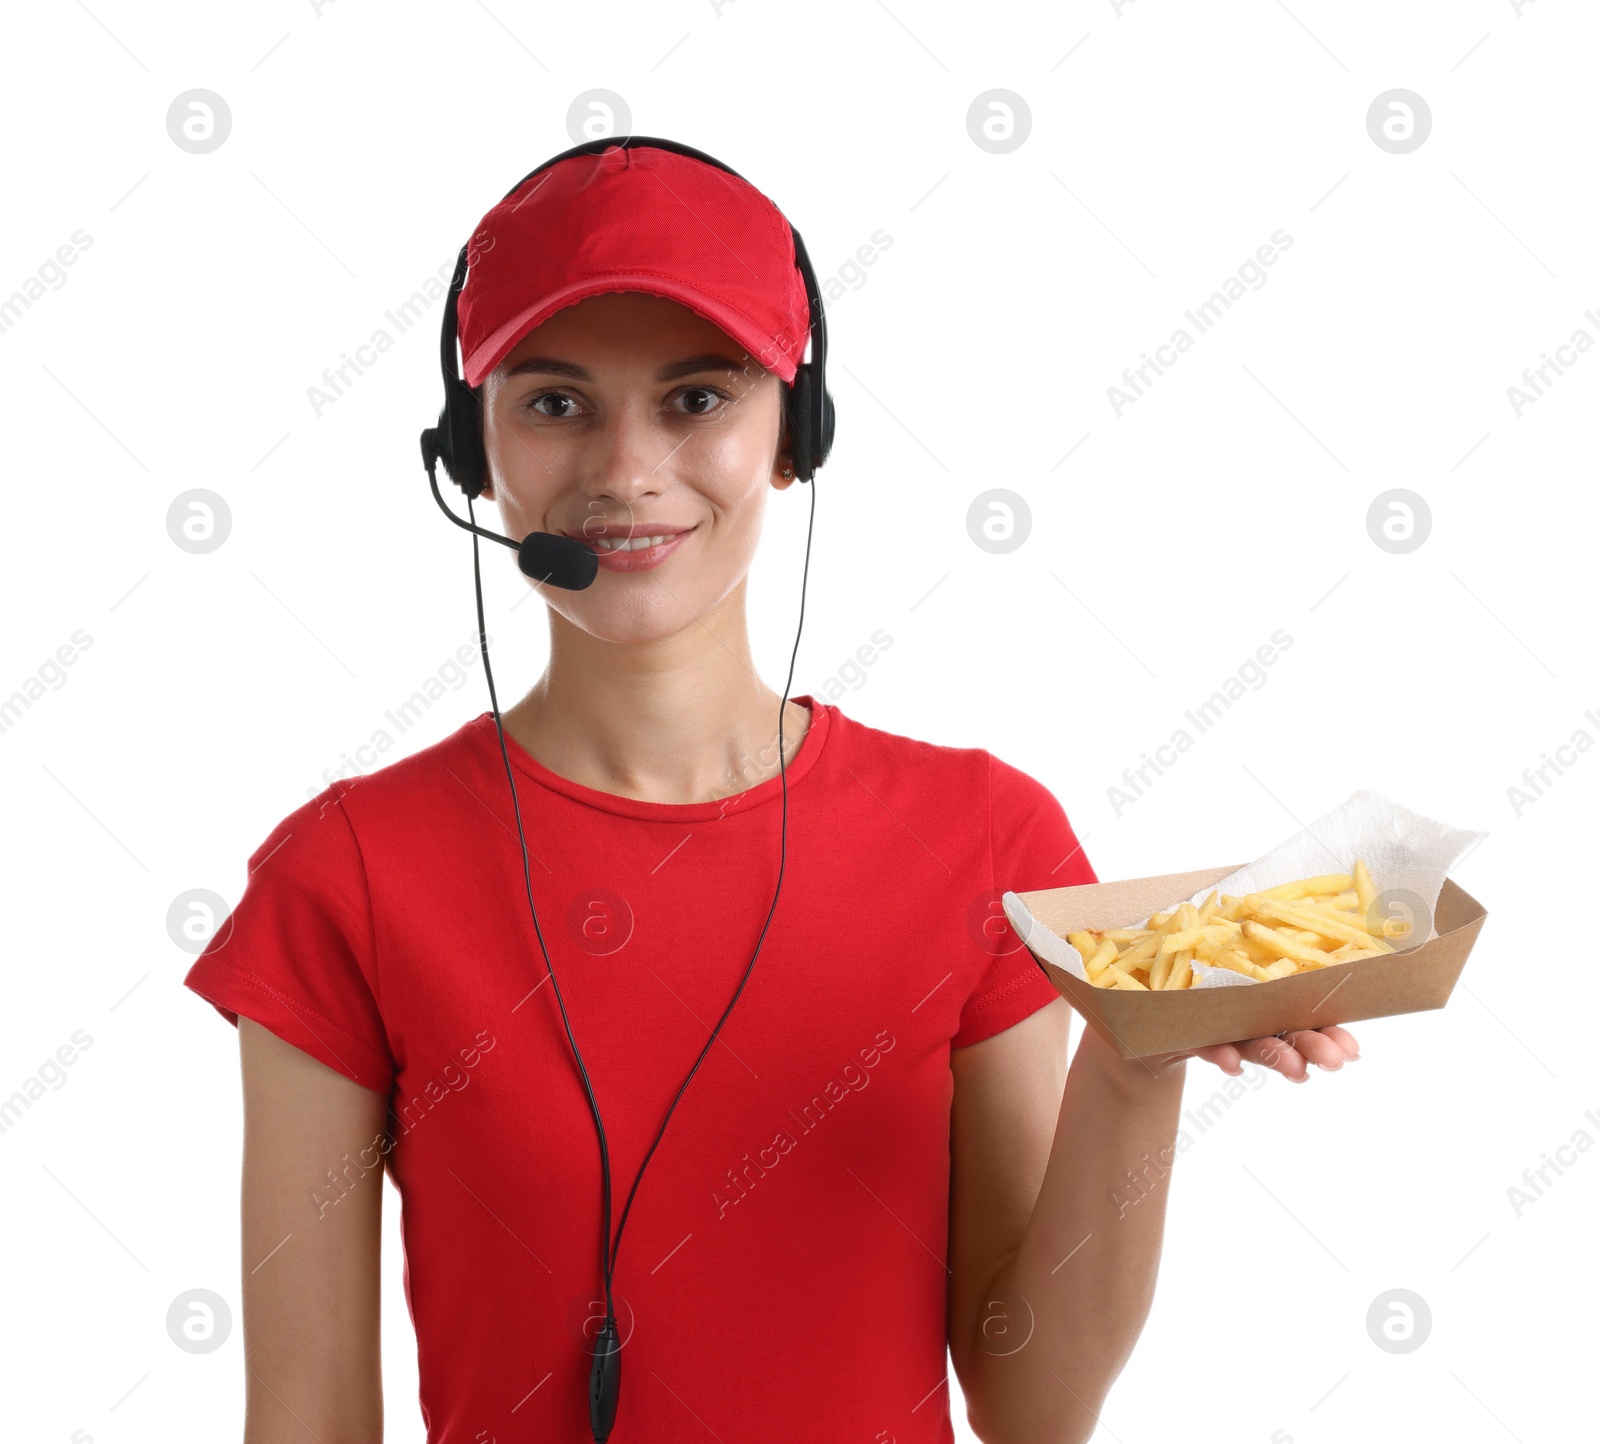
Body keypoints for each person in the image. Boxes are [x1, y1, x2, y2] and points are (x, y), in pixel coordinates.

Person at [184, 140, 1359, 1444]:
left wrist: (1140, 1068)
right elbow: (306, 1420)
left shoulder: (985, 843)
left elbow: (1032, 1401)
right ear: (472, 451)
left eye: (698, 398)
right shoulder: (346, 874)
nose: (627, 469)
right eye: (555, 403)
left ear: (796, 438)